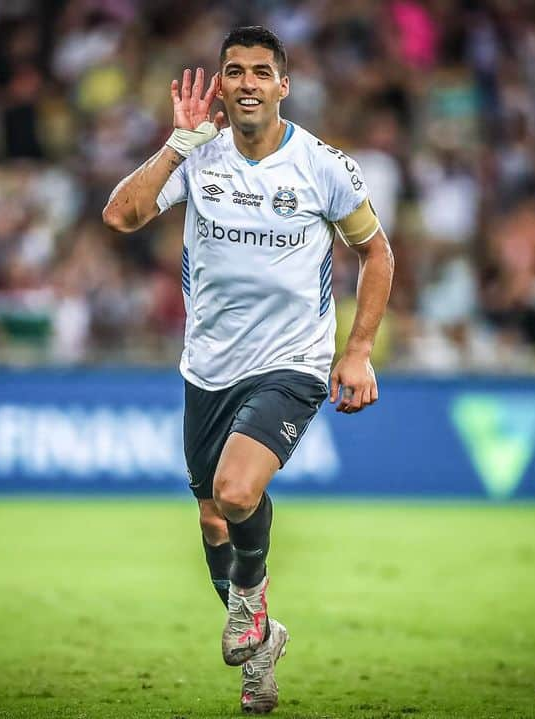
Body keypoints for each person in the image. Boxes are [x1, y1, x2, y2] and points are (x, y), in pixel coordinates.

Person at [102, 26, 394, 714]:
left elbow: (376, 254)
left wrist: (356, 351)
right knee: (211, 519)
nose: (247, 83)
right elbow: (120, 215)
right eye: (235, 71)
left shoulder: (323, 166)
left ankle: (250, 603)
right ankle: (261, 647)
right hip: (207, 368)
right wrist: (177, 143)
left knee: (235, 493)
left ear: (283, 86)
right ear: (222, 84)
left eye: (262, 72)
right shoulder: (198, 159)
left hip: (291, 363)